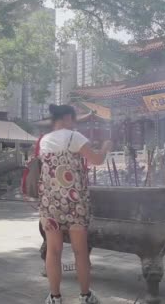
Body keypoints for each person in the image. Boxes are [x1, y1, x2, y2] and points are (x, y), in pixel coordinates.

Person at [40, 104, 112, 304]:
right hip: (74, 202)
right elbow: (96, 159)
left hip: (50, 201)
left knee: (53, 250)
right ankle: (85, 295)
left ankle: (54, 297)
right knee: (80, 250)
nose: (74, 124)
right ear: (67, 118)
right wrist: (105, 147)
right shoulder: (74, 137)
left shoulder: (44, 140)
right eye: (74, 119)